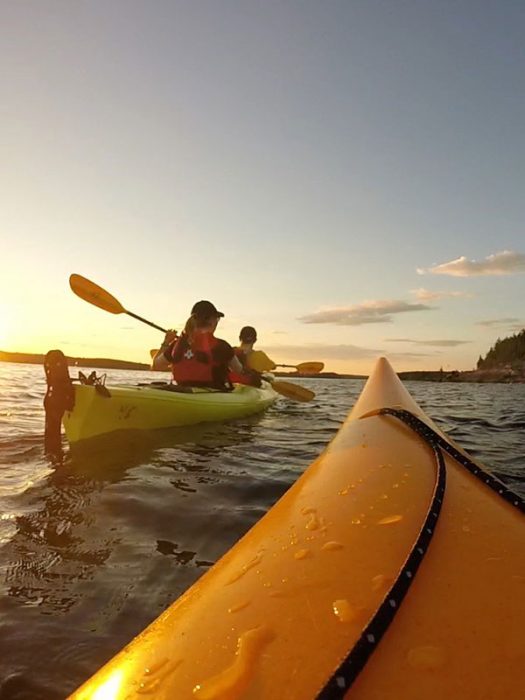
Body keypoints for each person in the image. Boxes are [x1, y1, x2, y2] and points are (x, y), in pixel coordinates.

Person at [152, 300, 244, 389]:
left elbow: (156, 365)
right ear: (212, 321)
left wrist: (166, 342)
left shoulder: (177, 345)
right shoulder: (222, 346)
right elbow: (239, 370)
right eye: (217, 318)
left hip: (182, 391)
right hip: (211, 396)